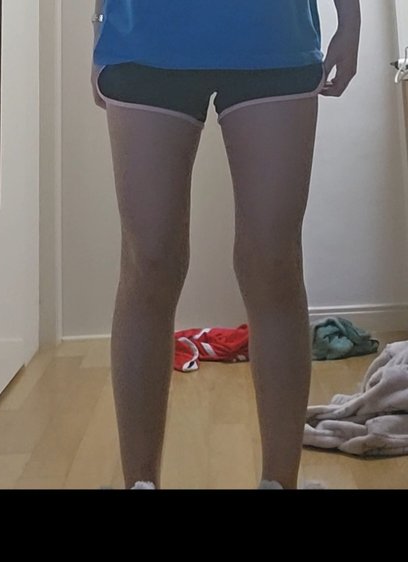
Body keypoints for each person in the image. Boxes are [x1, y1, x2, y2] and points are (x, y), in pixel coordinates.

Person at [90, 0, 361, 490]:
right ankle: (140, 484)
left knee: (273, 262)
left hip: (274, 34)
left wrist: (351, 19)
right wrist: (99, 25)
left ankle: (279, 483)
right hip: (143, 36)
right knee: (149, 261)